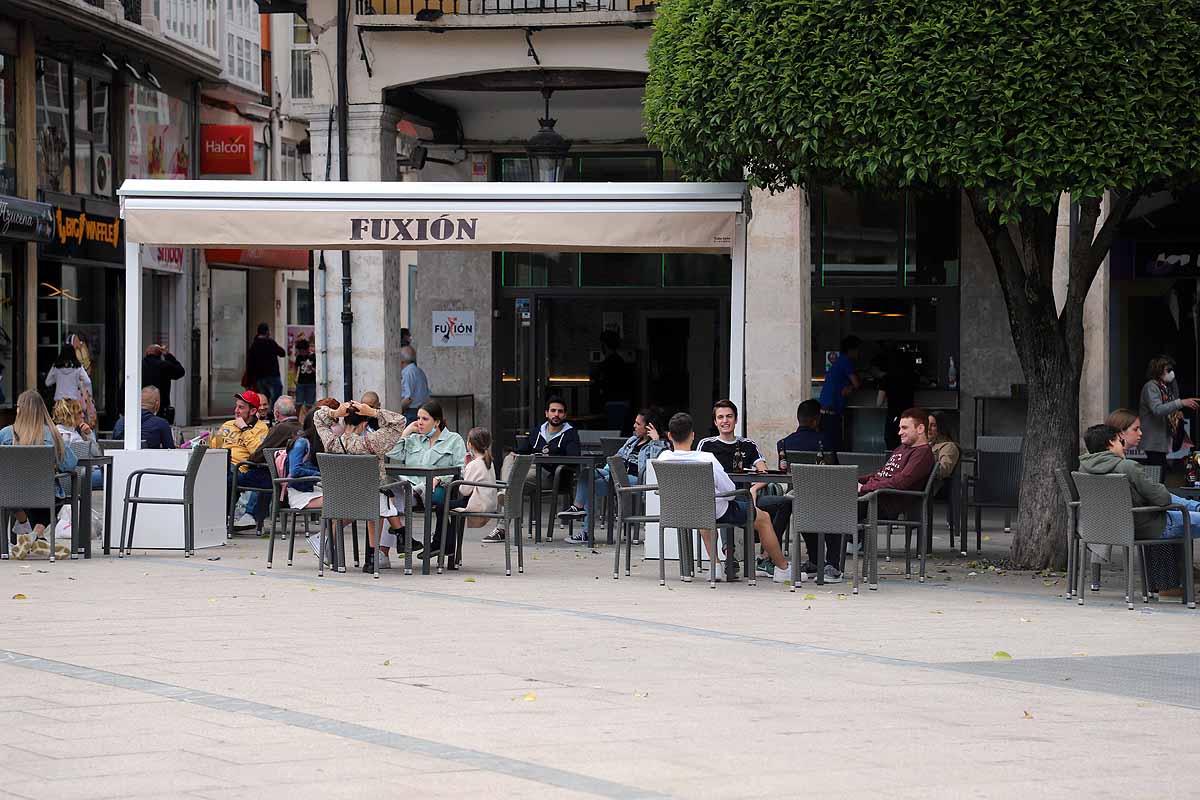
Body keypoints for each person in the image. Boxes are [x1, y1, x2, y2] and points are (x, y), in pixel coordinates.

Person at [650, 412, 793, 584]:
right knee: (763, 517)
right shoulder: (705, 458)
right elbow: (730, 490)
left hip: (678, 511)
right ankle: (782, 569)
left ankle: (715, 566)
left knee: (704, 512)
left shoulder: (663, 458)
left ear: (670, 436)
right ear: (693, 435)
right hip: (715, 511)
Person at [1079, 422, 1200, 598]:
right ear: (1111, 443)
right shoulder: (1127, 466)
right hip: (1150, 526)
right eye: (1121, 440)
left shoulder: (1083, 469)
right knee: (1187, 516)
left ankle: (1173, 586)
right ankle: (1173, 586)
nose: (1123, 445)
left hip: (1109, 530)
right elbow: (1162, 499)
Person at [313, 398, 410, 573]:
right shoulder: (371, 443)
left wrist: (334, 413)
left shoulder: (331, 443)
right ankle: (380, 551)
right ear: (364, 423)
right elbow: (399, 421)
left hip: (340, 503)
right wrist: (373, 412)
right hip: (370, 503)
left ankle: (331, 548)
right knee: (383, 495)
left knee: (381, 495)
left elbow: (318, 418)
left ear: (344, 420)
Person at [555, 408, 670, 544]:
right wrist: (607, 469)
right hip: (617, 474)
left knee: (603, 481)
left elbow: (655, 464)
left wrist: (656, 441)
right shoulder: (632, 440)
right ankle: (578, 510)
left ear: (648, 427)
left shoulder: (660, 444)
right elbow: (618, 457)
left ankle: (585, 528)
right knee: (587, 475)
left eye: (638, 424)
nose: (634, 426)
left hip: (636, 479)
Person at [696, 400, 781, 575]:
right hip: (719, 497)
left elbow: (764, 472)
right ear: (715, 422)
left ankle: (766, 557)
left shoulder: (748, 444)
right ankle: (729, 557)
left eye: (729, 416)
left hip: (747, 495)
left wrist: (754, 489)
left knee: (785, 502)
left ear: (736, 419)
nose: (725, 421)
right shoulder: (706, 444)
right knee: (726, 503)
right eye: (720, 417)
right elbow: (699, 473)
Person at [1, 390, 77, 560]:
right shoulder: (52, 434)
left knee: (10, 490)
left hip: (11, 496)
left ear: (20, 410)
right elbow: (70, 464)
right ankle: (35, 535)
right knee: (56, 495)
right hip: (44, 495)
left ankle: (26, 528)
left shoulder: (5, 434)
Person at [387, 399, 466, 560]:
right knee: (385, 497)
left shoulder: (454, 440)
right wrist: (407, 431)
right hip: (409, 487)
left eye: (425, 419)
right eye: (418, 418)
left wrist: (440, 478)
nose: (420, 423)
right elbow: (391, 452)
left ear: (436, 422)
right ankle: (393, 541)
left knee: (389, 502)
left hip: (437, 489)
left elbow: (461, 469)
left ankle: (401, 532)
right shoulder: (413, 439)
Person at [773, 399, 843, 580]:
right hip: (826, 496)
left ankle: (813, 560)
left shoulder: (784, 443)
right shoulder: (827, 441)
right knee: (835, 509)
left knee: (798, 507)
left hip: (799, 497)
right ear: (816, 419)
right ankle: (832, 564)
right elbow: (835, 470)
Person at [512, 396, 584, 542]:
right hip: (533, 472)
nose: (556, 414)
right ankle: (507, 488)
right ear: (546, 413)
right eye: (553, 411)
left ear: (565, 415)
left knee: (514, 485)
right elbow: (522, 450)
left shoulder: (570, 434)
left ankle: (501, 523)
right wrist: (515, 454)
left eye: (560, 411)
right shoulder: (538, 430)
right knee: (510, 460)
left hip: (555, 476)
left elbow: (573, 459)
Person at [858, 408, 936, 522]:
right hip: (872, 495)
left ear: (920, 429)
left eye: (904, 428)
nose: (899, 432)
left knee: (833, 505)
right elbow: (882, 473)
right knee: (829, 494)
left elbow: (901, 481)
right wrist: (853, 479)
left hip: (883, 502)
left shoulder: (923, 453)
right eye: (900, 428)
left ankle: (847, 538)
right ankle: (848, 538)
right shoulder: (903, 447)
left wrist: (864, 488)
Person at [215, 390, 271, 529]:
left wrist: (245, 429)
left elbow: (257, 452)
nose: (236, 411)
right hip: (219, 463)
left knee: (227, 478)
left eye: (241, 407)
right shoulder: (228, 425)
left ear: (252, 411)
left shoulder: (261, 428)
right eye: (236, 406)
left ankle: (224, 517)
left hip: (240, 468)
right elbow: (214, 446)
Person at [1138, 355, 1199, 468]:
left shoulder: (1163, 387)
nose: (1171, 373)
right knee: (1157, 475)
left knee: (1160, 472)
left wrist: (1177, 411)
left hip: (1161, 441)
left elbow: (1172, 401)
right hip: (1153, 441)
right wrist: (1181, 403)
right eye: (1168, 370)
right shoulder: (1151, 387)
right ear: (1159, 370)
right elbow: (1157, 409)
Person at [818, 335, 863, 452]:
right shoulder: (846, 362)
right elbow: (856, 383)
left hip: (826, 409)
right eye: (858, 350)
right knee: (835, 447)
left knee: (829, 445)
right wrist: (851, 387)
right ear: (852, 350)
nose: (859, 353)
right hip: (831, 411)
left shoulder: (839, 361)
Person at [456, 428, 501, 543]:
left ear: (469, 444)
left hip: (479, 505)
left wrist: (465, 468)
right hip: (490, 504)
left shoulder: (474, 464)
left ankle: (446, 543)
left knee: (442, 506)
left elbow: (464, 490)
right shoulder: (489, 461)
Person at [52, 398, 102, 488]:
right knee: (114, 475)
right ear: (70, 415)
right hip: (80, 477)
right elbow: (98, 455)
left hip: (68, 478)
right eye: (79, 412)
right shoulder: (72, 437)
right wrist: (90, 435)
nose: (83, 415)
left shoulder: (56, 432)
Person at [879, 349, 918, 450]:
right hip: (909, 416)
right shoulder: (911, 376)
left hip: (894, 415)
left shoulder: (887, 378)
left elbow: (879, 402)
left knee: (892, 445)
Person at [595, 330, 632, 432]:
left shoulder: (605, 365)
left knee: (612, 433)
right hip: (623, 402)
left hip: (612, 403)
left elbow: (600, 383)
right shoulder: (621, 362)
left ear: (604, 345)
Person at [142, 343, 185, 424]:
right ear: (160, 354)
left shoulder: (139, 365)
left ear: (146, 353)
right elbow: (180, 371)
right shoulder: (164, 365)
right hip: (161, 405)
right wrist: (167, 355)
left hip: (141, 404)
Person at [776, 399, 827, 466]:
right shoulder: (826, 442)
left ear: (798, 418)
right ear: (815, 421)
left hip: (794, 477)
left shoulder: (783, 444)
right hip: (818, 476)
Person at [246, 323, 286, 405]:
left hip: (259, 377)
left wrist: (250, 379)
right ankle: (273, 412)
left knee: (263, 397)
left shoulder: (254, 345)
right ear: (267, 332)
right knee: (277, 394)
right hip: (273, 375)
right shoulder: (270, 343)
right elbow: (282, 353)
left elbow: (249, 363)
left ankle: (264, 412)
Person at [399, 346, 430, 424]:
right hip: (421, 410)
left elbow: (408, 398)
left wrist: (397, 411)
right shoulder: (419, 371)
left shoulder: (407, 373)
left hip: (411, 413)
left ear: (402, 360)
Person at [928, 412, 960, 481]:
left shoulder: (949, 447)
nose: (928, 428)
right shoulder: (927, 444)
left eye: (933, 425)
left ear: (941, 427)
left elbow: (942, 471)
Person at [294, 338, 317, 411]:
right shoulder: (299, 357)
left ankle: (308, 419)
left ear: (307, 349)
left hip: (311, 383)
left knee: (309, 404)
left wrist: (312, 369)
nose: (301, 353)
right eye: (300, 351)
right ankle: (296, 419)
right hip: (301, 382)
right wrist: (295, 378)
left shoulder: (313, 357)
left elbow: (318, 371)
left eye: (302, 351)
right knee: (298, 403)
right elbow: (296, 367)